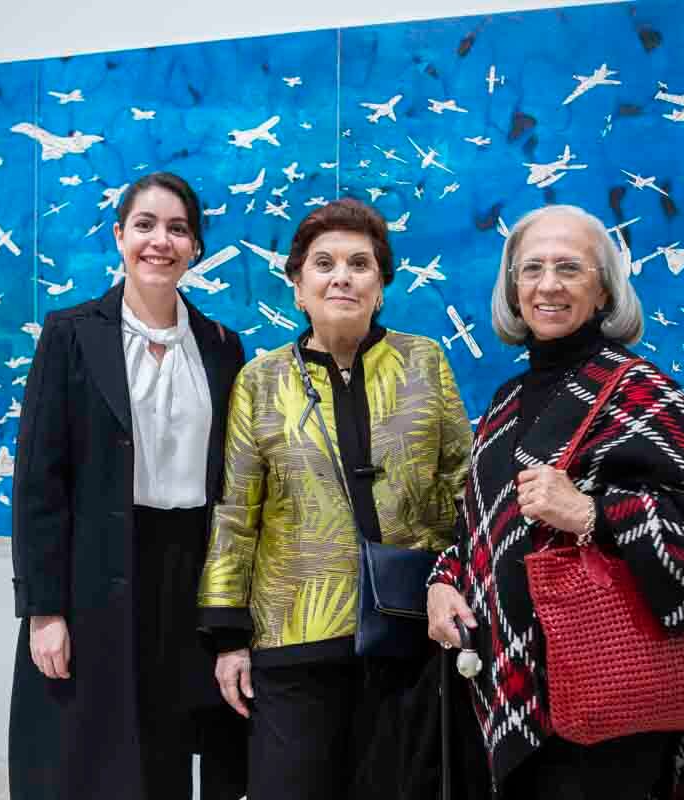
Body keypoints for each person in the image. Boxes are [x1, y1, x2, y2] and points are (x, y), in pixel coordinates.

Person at [426, 205, 684, 799]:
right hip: (512, 695)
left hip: (612, 698)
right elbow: (479, 527)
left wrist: (594, 514)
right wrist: (445, 582)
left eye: (569, 268)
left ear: (604, 291)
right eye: (532, 269)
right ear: (513, 288)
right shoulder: (505, 402)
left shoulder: (641, 389)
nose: (548, 285)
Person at [197, 198, 473, 800]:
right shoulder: (260, 380)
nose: (342, 277)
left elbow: (463, 484)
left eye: (359, 264)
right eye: (323, 264)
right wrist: (227, 636)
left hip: (409, 638)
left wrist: (461, 584)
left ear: (381, 287)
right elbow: (235, 512)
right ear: (298, 287)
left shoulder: (425, 361)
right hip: (293, 641)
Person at [8, 172, 247, 799]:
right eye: (145, 225)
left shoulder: (223, 347)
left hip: (190, 577)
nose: (160, 241)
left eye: (177, 229)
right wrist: (44, 610)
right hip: (97, 575)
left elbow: (233, 484)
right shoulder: (70, 334)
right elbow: (38, 484)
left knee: (169, 749)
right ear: (119, 235)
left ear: (195, 247)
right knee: (91, 760)